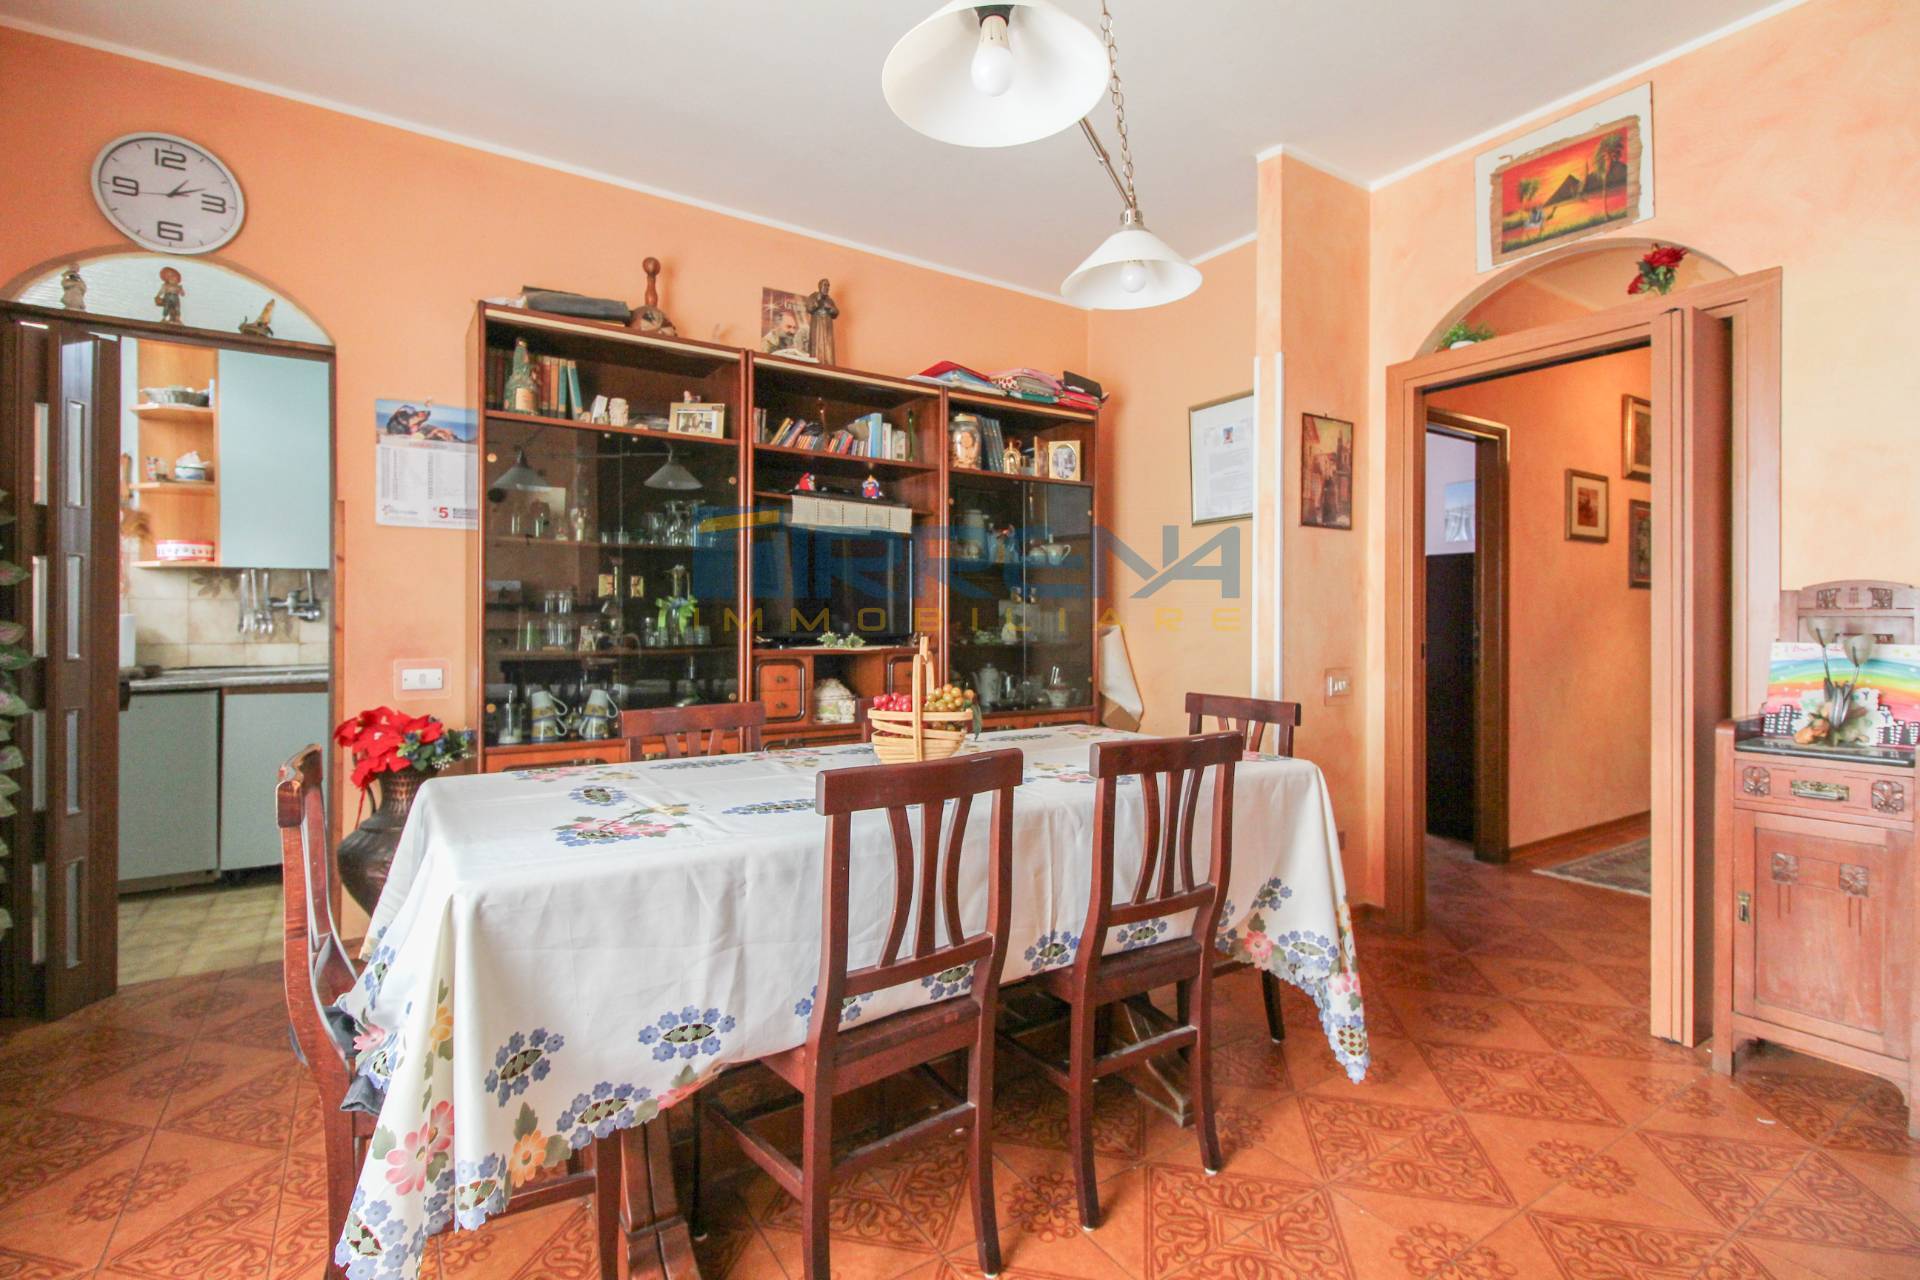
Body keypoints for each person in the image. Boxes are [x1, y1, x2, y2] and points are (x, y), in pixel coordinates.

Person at [804, 278, 838, 365]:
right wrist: (818, 301)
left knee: (828, 346)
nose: (827, 287)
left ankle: (829, 364)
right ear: (819, 286)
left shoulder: (829, 300)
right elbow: (809, 308)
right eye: (825, 285)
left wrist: (830, 308)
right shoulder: (813, 296)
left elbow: (836, 313)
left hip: (827, 325)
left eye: (828, 286)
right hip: (817, 324)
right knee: (817, 345)